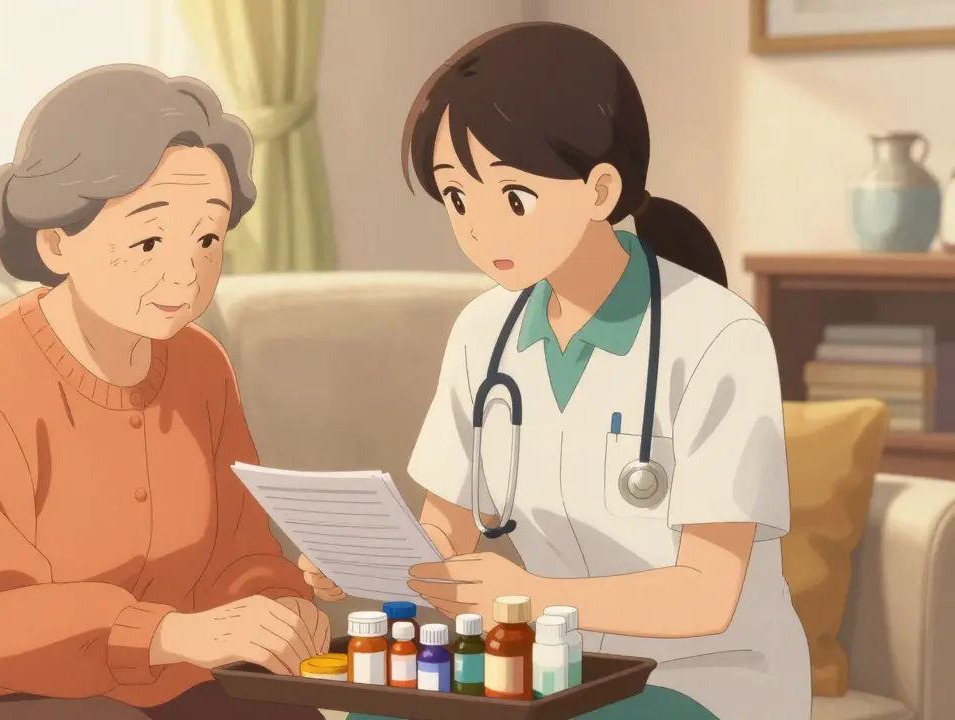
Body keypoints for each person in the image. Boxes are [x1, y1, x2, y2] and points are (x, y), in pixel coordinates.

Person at [299, 23, 811, 720]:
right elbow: (448, 529)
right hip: (539, 671)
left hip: (700, 679)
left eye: (512, 197)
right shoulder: (484, 332)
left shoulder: (719, 337)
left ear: (601, 190)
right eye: (456, 197)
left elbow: (707, 591)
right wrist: (364, 562)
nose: (478, 228)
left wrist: (530, 596)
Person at [0, 65, 329, 720]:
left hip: (163, 679)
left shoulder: (200, 367)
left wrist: (279, 608)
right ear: (56, 243)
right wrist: (164, 633)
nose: (185, 274)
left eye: (208, 238)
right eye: (149, 239)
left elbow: (240, 551)